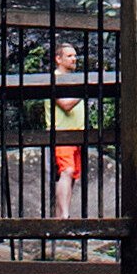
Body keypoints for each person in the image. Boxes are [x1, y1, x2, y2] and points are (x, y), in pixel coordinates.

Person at [48, 40, 87, 220]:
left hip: (77, 134)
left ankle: (59, 217)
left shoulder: (74, 80)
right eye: (69, 56)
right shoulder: (54, 79)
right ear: (58, 59)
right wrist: (85, 91)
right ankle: (64, 215)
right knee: (67, 171)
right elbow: (65, 105)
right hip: (62, 133)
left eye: (75, 56)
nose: (74, 59)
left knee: (71, 176)